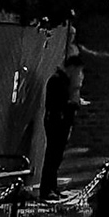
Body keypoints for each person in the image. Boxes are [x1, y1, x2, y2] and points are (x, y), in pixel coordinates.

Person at [39, 54, 83, 200]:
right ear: (71, 68)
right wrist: (72, 105)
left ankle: (52, 187)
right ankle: (46, 189)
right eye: (77, 70)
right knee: (52, 156)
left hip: (60, 121)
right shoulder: (57, 81)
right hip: (56, 121)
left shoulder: (63, 81)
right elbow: (57, 103)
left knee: (56, 157)